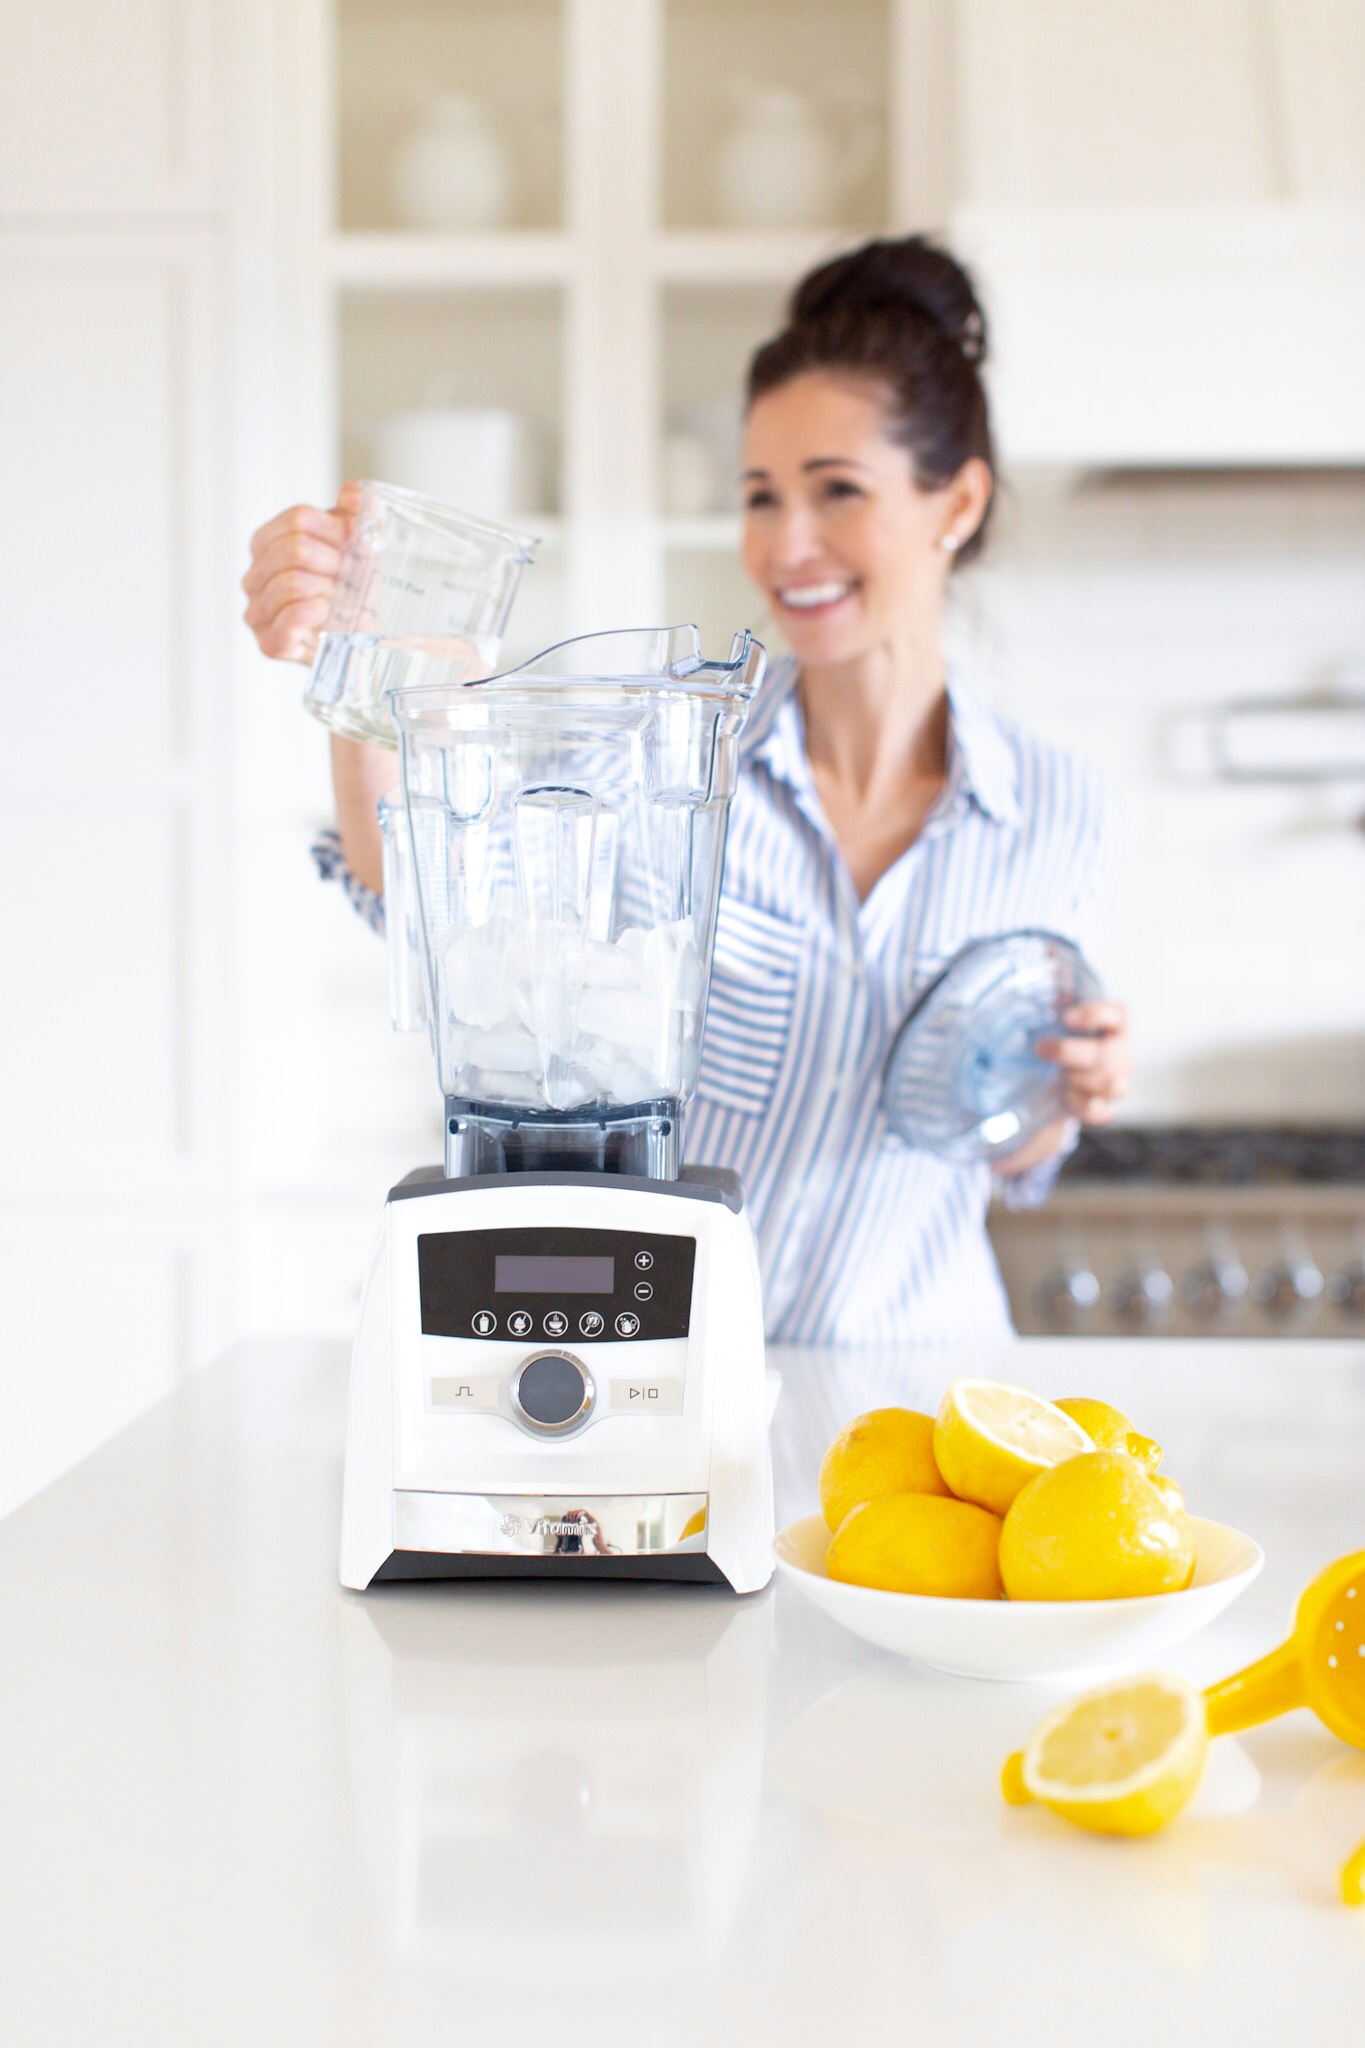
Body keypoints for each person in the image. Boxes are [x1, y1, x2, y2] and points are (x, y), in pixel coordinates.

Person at [242, 234, 1130, 1343]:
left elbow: (1006, 1144)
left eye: (837, 491)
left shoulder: (1054, 812)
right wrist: (361, 646)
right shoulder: (663, 765)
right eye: (762, 495)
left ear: (956, 501)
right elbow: (425, 895)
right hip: (677, 1384)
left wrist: (1059, 1096)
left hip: (913, 1394)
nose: (787, 544)